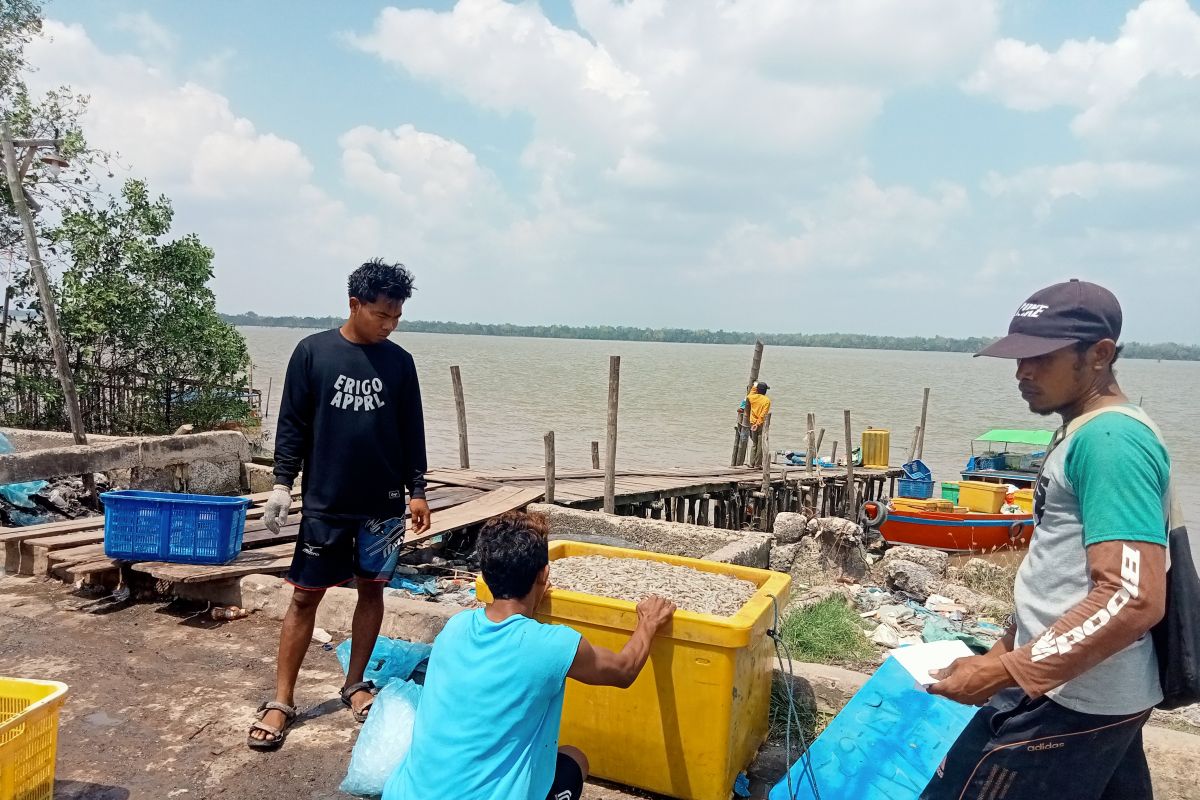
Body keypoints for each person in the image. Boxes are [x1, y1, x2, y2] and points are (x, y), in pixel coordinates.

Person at [923, 280, 1171, 800]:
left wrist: (1005, 670)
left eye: (1041, 358)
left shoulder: (1111, 442)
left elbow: (1131, 595)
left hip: (1072, 699)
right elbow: (1058, 565)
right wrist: (1004, 648)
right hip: (1079, 685)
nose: (1022, 372)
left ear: (1099, 355)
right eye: (1018, 358)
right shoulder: (1083, 429)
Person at [247, 259, 432, 750]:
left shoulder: (400, 363)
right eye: (381, 315)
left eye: (396, 318)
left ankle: (354, 684)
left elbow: (412, 431)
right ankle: (282, 700)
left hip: (382, 507)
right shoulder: (313, 353)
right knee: (305, 596)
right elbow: (292, 425)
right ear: (354, 305)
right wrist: (282, 484)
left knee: (373, 591)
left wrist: (417, 490)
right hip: (325, 503)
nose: (389, 325)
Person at [384, 511, 676, 800]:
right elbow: (624, 671)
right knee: (575, 759)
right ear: (544, 574)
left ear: (485, 573)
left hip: (404, 794)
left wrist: (531, 599)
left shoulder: (455, 627)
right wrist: (648, 623)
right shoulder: (554, 645)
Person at [738, 381, 772, 465]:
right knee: (760, 444)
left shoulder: (752, 397)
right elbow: (763, 414)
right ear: (765, 391)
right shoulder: (767, 400)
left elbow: (749, 394)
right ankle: (757, 464)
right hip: (759, 425)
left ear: (757, 390)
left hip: (752, 423)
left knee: (754, 444)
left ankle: (752, 463)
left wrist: (754, 386)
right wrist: (758, 424)